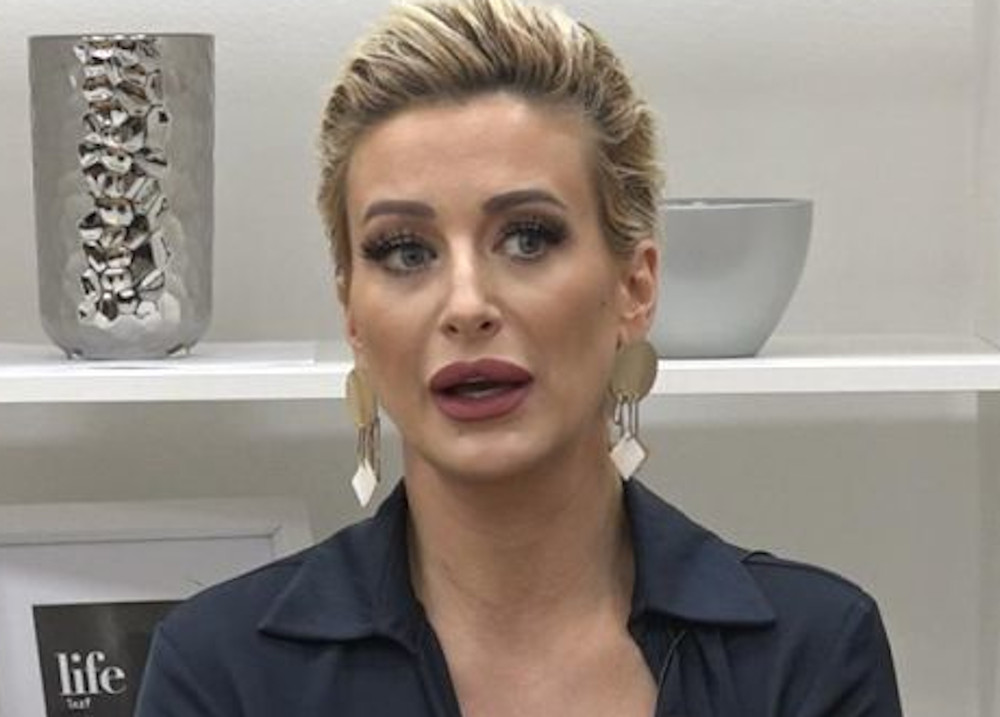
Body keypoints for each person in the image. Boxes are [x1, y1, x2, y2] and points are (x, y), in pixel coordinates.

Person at [135, 0, 903, 714]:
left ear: (634, 287)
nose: (466, 304)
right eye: (405, 251)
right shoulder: (219, 672)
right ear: (354, 318)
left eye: (528, 237)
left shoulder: (811, 654)